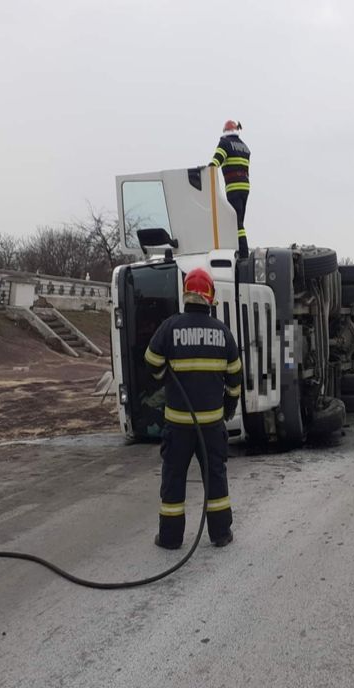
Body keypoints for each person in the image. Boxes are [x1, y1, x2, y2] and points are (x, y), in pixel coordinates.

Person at [144, 267, 243, 549]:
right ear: (210, 298)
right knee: (216, 478)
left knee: (174, 479)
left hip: (178, 425)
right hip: (211, 426)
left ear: (185, 294)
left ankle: (171, 538)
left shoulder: (170, 327)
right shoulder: (223, 333)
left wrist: (165, 376)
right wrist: (228, 408)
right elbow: (235, 376)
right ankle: (221, 534)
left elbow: (151, 361)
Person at [209, 120, 251, 259]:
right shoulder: (245, 147)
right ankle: (241, 250)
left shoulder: (225, 143)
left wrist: (204, 171)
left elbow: (215, 162)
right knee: (239, 221)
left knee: (236, 223)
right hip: (245, 187)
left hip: (233, 187)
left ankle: (243, 253)